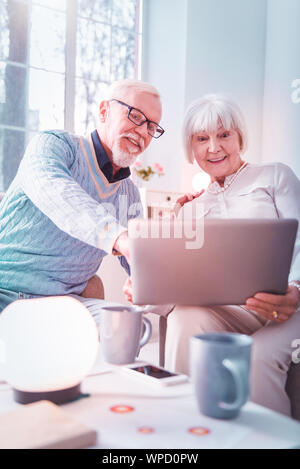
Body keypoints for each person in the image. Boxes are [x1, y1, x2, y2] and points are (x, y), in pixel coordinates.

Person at [164, 94, 300, 418]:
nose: (214, 148)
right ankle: (183, 425)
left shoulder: (276, 176)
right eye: (202, 139)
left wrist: (296, 289)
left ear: (239, 137)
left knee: (256, 356)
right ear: (191, 147)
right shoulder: (190, 208)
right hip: (234, 312)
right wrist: (144, 284)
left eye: (224, 135)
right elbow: (181, 281)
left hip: (289, 308)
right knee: (183, 317)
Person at [0, 79, 168, 324]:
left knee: (131, 326)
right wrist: (118, 237)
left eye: (152, 127)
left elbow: (145, 271)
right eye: (135, 116)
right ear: (104, 111)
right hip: (5, 295)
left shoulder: (129, 195)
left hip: (64, 305)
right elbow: (57, 193)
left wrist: (156, 274)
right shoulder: (54, 146)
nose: (143, 131)